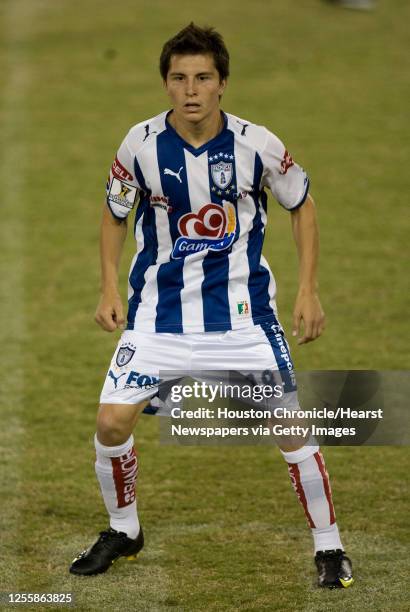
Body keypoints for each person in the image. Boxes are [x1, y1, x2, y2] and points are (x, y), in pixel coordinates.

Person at [69, 23, 354, 589]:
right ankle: (124, 530)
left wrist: (308, 288)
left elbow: (303, 204)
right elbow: (114, 214)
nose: (191, 89)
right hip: (158, 316)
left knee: (290, 429)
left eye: (202, 78)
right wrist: (107, 288)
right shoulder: (139, 144)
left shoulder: (257, 144)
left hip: (242, 320)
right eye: (179, 79)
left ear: (223, 83)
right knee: (110, 422)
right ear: (166, 85)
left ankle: (330, 546)